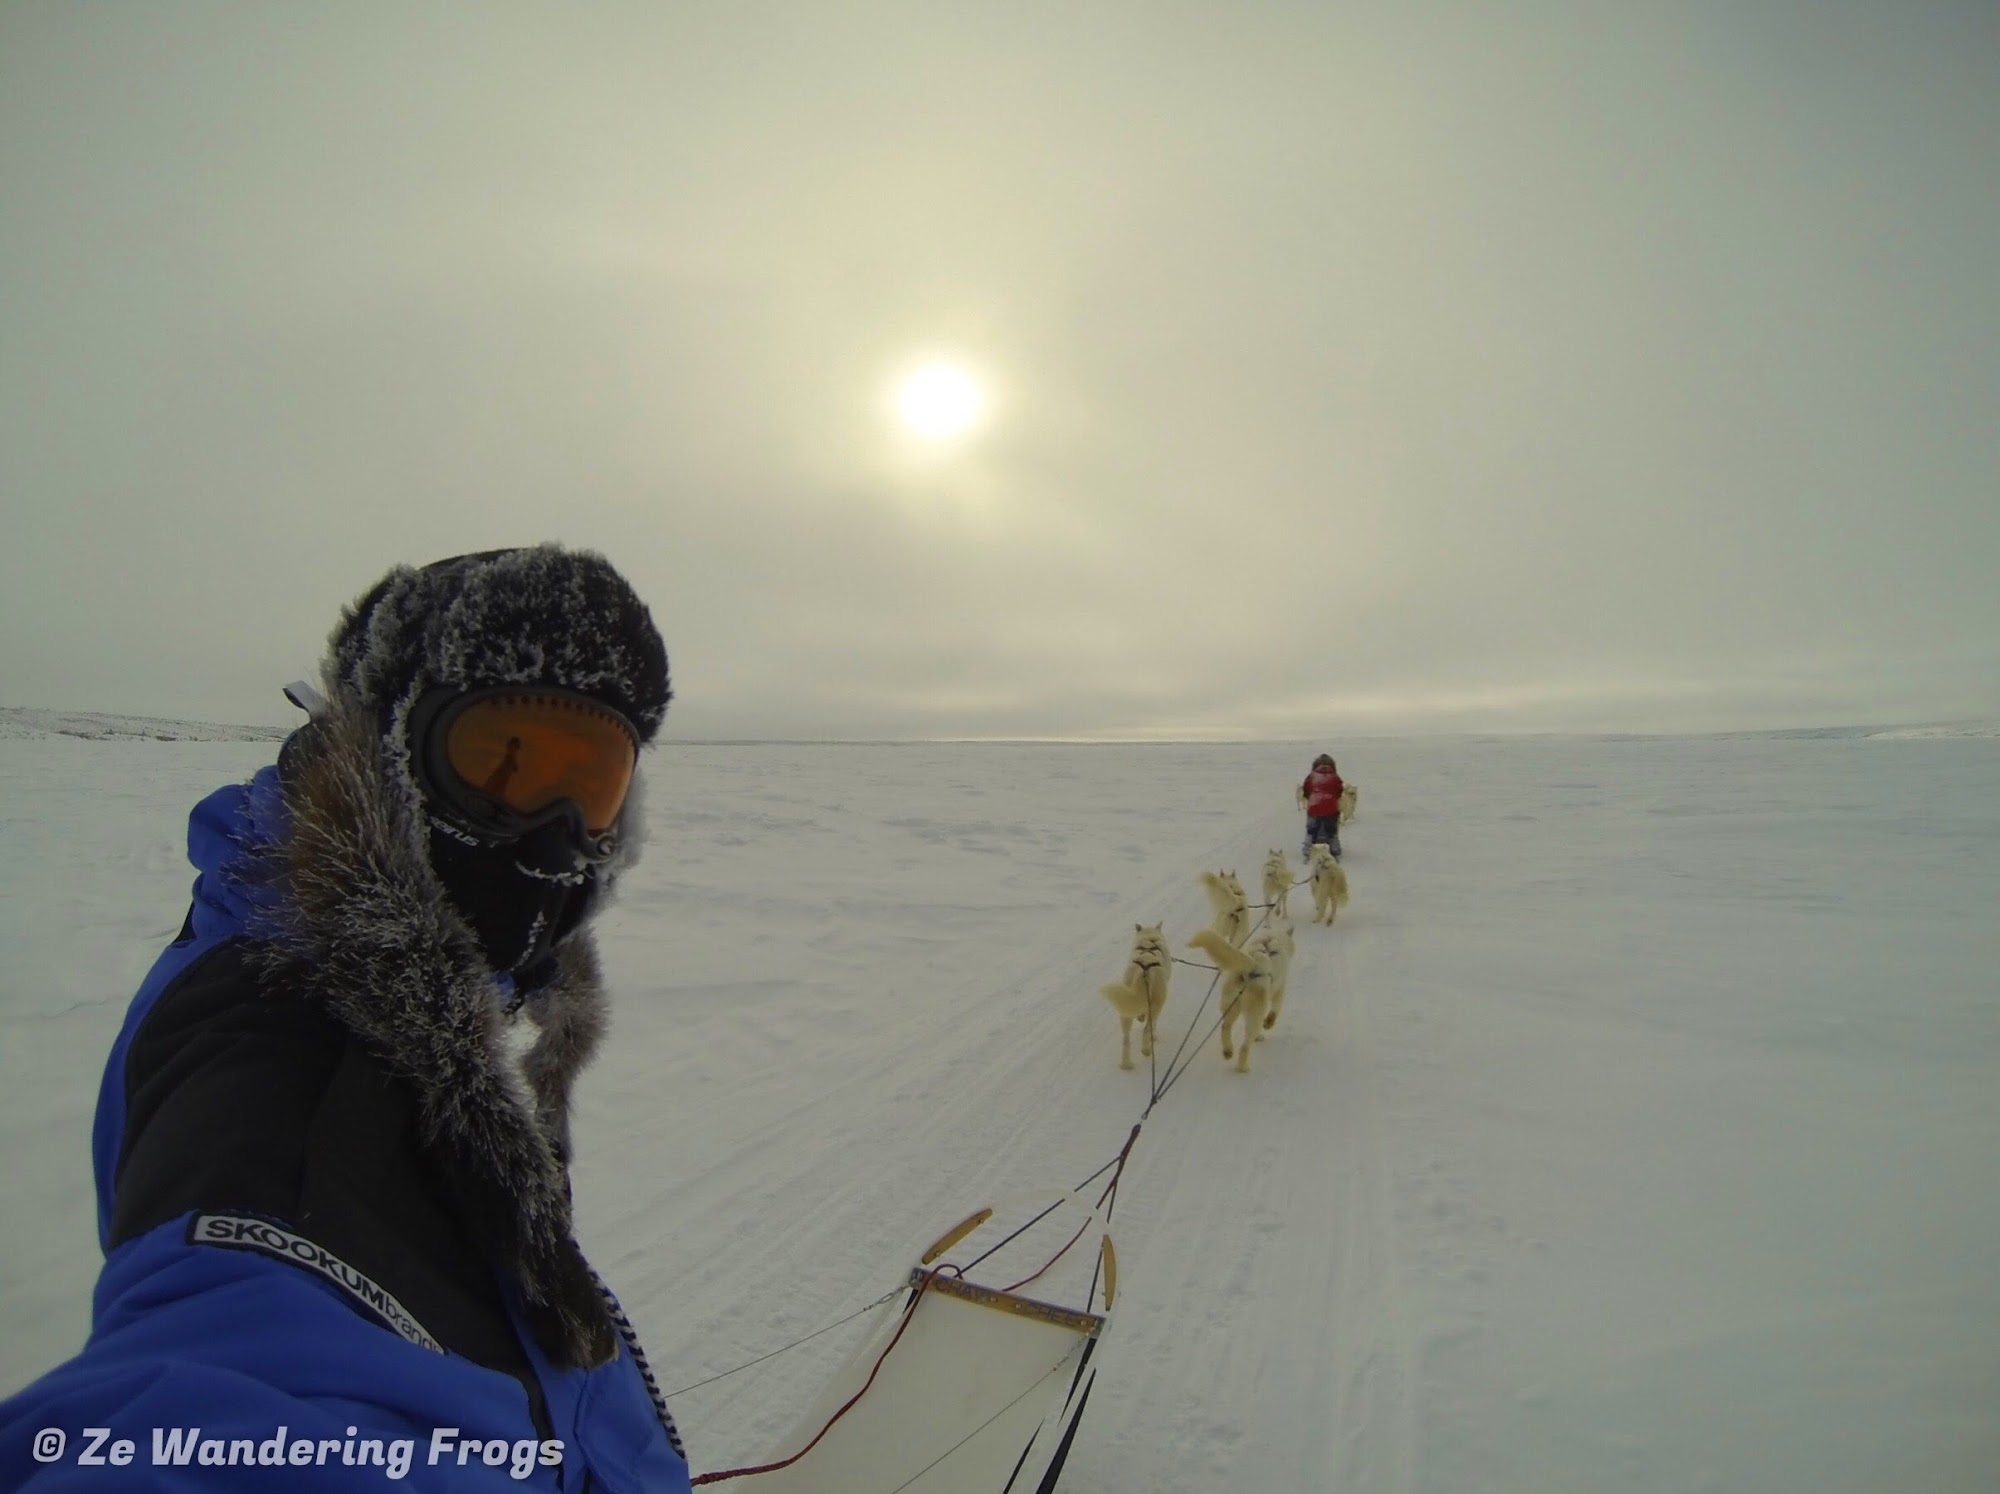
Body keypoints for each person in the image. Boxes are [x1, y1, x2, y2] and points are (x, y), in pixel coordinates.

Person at [0, 546, 690, 1490]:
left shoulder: (400, 978)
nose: (552, 834)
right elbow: (245, 1387)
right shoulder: (282, 1059)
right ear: (385, 755)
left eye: (592, 787)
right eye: (503, 761)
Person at [1298, 752, 1344, 861]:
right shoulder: (1335, 777)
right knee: (1332, 830)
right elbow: (1339, 790)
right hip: (1331, 808)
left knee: (1311, 829)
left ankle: (1308, 849)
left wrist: (1310, 797)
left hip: (1314, 806)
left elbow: (1306, 789)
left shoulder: (1312, 776)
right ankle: (1334, 848)